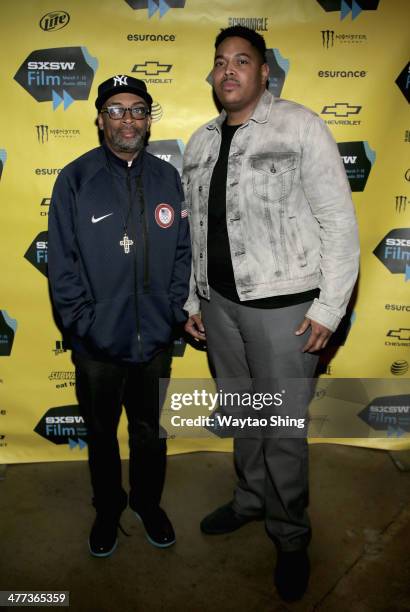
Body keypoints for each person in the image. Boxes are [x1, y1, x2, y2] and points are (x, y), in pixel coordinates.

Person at [183, 26, 359, 601]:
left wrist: (330, 310)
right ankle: (249, 500)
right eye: (220, 62)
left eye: (242, 61)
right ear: (212, 76)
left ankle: (289, 535)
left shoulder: (300, 126)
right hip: (222, 308)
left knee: (281, 430)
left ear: (264, 73)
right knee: (245, 414)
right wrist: (195, 299)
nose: (228, 70)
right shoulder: (201, 143)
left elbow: (339, 225)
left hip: (285, 310)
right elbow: (198, 231)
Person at [48, 75, 191, 557]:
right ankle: (108, 509)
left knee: (149, 434)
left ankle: (148, 504)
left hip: (154, 342)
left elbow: (184, 256)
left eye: (136, 110)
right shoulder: (75, 177)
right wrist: (83, 325)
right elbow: (62, 263)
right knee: (103, 436)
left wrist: (173, 313)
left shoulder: (168, 178)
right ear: (100, 120)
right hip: (97, 346)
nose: (126, 119)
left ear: (149, 120)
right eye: (115, 109)